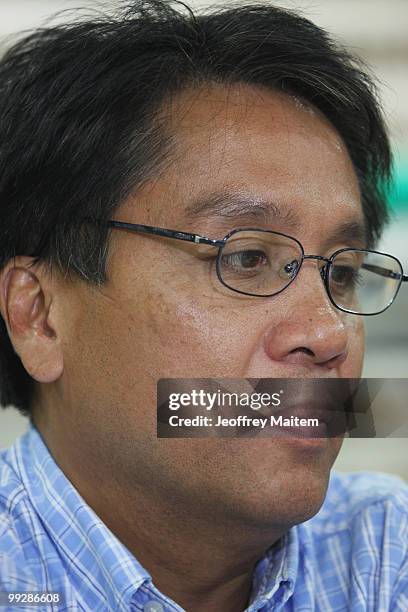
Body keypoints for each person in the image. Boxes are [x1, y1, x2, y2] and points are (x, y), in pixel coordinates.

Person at [0, 1, 407, 610]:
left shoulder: (381, 556)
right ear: (41, 317)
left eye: (343, 274)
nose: (328, 335)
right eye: (244, 259)